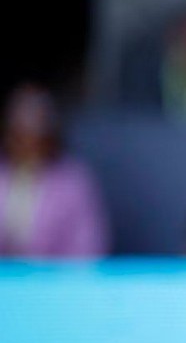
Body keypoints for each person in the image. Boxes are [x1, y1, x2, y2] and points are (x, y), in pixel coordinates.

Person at [0, 84, 109, 257]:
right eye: (20, 131)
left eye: (35, 129)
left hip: (54, 280)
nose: (27, 139)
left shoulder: (74, 182)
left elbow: (87, 250)